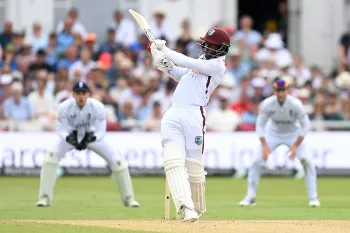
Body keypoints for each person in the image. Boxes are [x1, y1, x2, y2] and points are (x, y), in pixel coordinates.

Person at [149, 28, 230, 221]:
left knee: (193, 166)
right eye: (207, 43)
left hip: (195, 115)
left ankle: (197, 208)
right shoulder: (201, 62)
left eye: (212, 45)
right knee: (173, 161)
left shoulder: (218, 66)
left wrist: (166, 50)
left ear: (221, 49)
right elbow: (180, 73)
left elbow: (187, 61)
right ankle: (186, 208)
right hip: (174, 111)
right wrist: (163, 62)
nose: (207, 47)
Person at [36, 81, 140, 208]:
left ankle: (129, 198)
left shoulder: (98, 107)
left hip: (92, 137)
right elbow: (62, 130)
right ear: (73, 94)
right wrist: (71, 138)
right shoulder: (64, 107)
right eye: (78, 93)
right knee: (49, 158)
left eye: (83, 93)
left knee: (118, 161)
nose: (81, 96)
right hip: (71, 137)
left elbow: (101, 132)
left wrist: (89, 138)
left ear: (88, 94)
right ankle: (44, 198)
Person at [238, 79, 320, 207]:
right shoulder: (267, 104)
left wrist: (295, 146)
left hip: (293, 133)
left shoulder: (296, 104)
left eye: (283, 90)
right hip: (273, 133)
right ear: (274, 91)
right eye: (278, 90)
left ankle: (313, 198)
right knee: (256, 161)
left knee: (307, 161)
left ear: (287, 90)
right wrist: (265, 146)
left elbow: (305, 126)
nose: (280, 93)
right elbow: (260, 126)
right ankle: (250, 197)